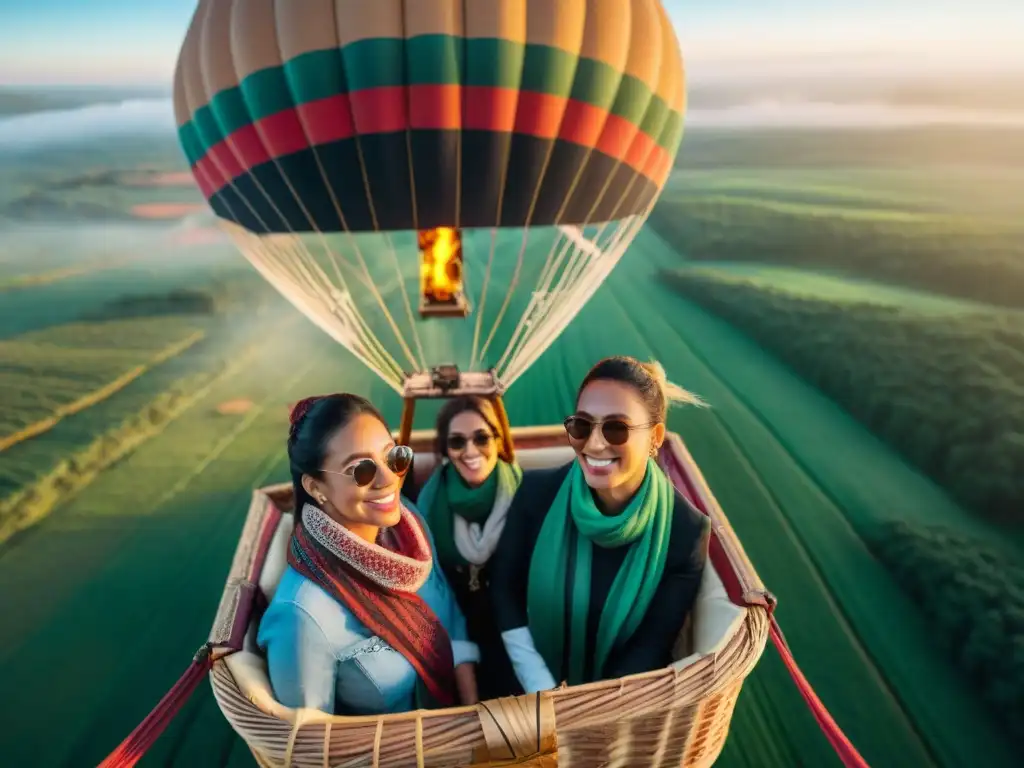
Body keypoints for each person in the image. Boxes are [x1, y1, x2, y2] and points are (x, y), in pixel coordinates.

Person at [490, 357, 712, 693]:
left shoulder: (685, 532)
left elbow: (650, 646)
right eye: (582, 425)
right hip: (525, 688)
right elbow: (505, 589)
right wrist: (539, 684)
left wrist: (583, 709)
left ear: (655, 437)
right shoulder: (535, 493)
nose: (593, 444)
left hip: (615, 708)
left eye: (616, 428)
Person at [258, 393, 479, 715]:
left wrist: (472, 711)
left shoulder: (409, 527)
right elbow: (311, 748)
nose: (389, 479)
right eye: (361, 470)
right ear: (316, 487)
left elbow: (449, 614)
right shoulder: (302, 615)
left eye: (394, 457)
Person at [417, 396, 523, 699]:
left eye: (481, 438)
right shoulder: (429, 502)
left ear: (498, 440)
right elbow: (431, 587)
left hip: (515, 618)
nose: (470, 451)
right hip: (451, 617)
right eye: (457, 442)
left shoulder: (525, 493)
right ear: (446, 450)